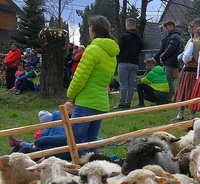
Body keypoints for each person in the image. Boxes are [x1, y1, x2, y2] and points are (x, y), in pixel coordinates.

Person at [67, 15, 119, 145]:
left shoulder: (92, 50)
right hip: (100, 102)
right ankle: (93, 165)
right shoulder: (111, 54)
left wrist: (70, 95)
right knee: (91, 143)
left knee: (75, 143)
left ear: (92, 29)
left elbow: (80, 77)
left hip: (86, 102)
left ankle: (79, 165)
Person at [9, 101, 76, 159]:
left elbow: (66, 139)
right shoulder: (57, 121)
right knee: (17, 148)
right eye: (63, 108)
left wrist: (40, 141)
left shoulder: (74, 123)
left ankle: (10, 168)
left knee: (25, 149)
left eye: (67, 109)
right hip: (44, 148)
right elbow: (45, 134)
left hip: (52, 152)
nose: (63, 111)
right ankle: (3, 166)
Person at [174, 25, 200, 120]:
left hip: (189, 71)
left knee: (183, 91)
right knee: (194, 93)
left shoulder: (193, 43)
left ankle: (180, 114)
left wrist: (183, 60)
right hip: (198, 71)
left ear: (195, 34)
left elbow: (186, 56)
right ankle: (192, 115)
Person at [115, 18, 143, 109]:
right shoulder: (139, 38)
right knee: (131, 84)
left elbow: (119, 49)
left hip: (124, 62)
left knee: (123, 84)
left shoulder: (124, 36)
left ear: (128, 25)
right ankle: (128, 102)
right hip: (134, 63)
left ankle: (122, 102)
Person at [154, 20, 182, 101]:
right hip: (170, 61)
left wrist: (162, 57)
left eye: (167, 28)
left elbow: (170, 49)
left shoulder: (174, 37)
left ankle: (168, 98)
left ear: (171, 26)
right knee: (168, 80)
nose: (166, 30)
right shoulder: (173, 36)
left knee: (169, 80)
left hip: (171, 62)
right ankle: (169, 96)